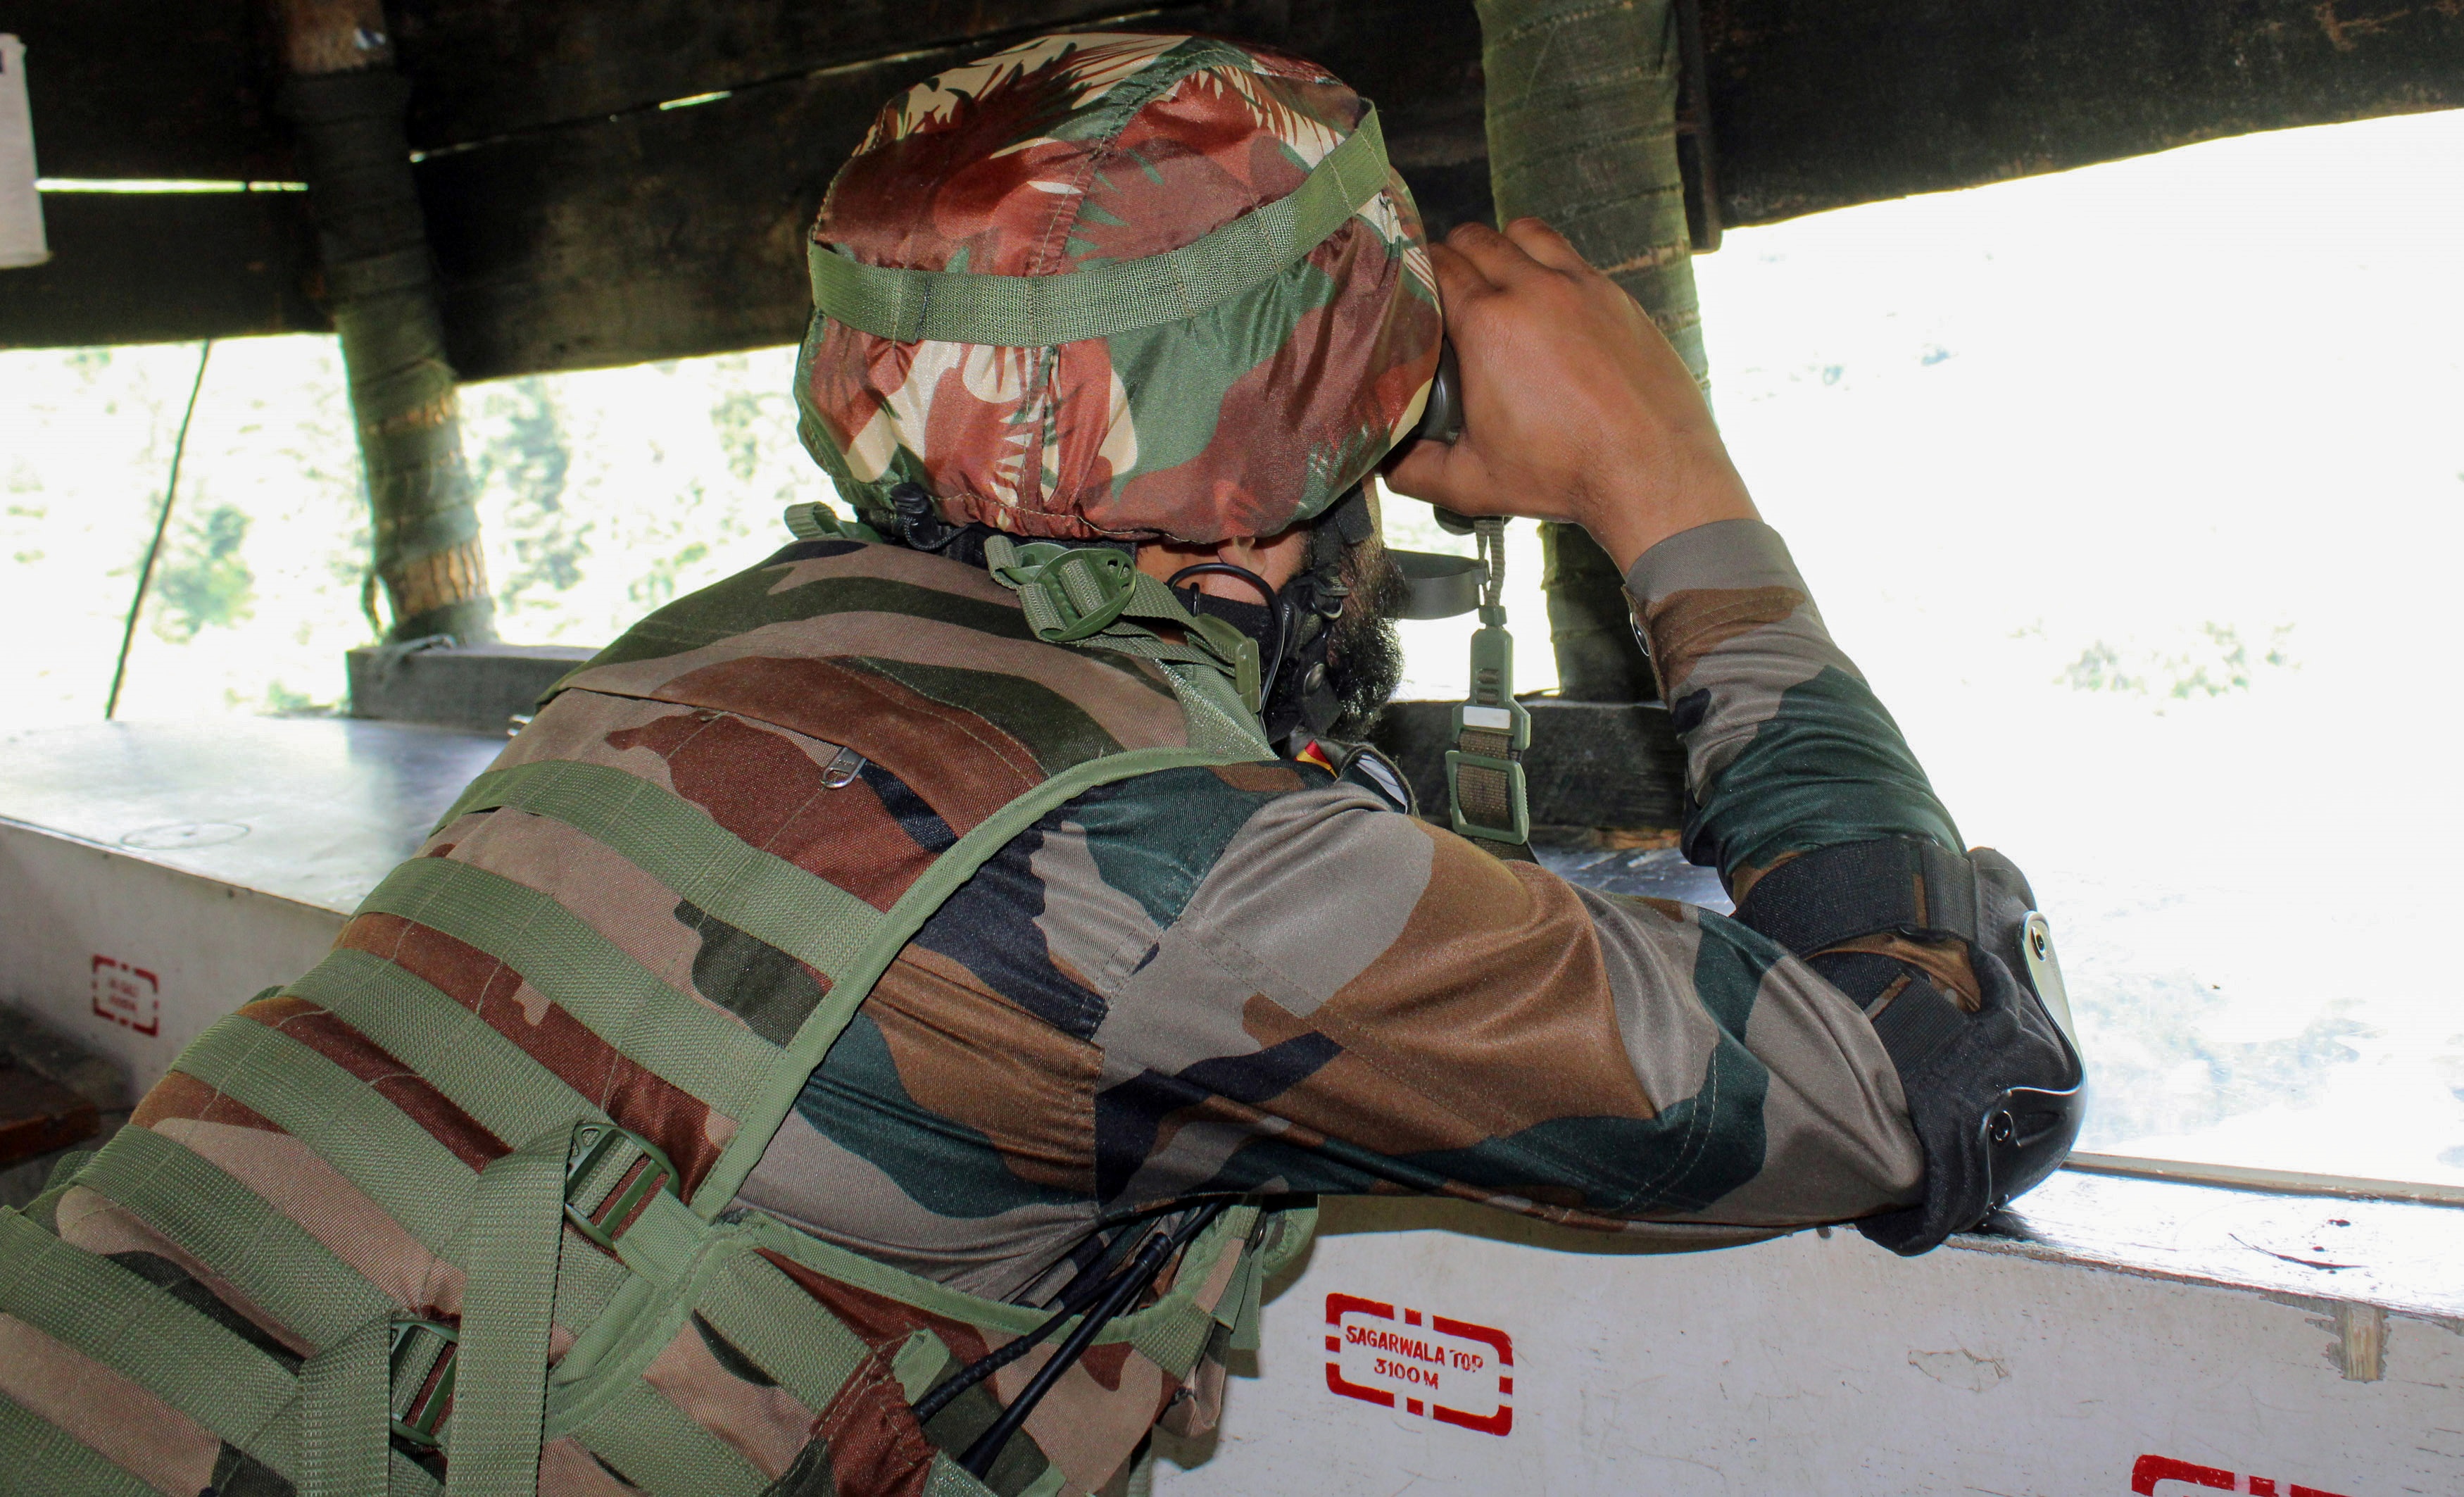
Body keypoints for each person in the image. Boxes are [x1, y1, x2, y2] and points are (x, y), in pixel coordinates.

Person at [0, 31, 2079, 1497]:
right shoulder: (1181, 890)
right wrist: (1669, 484)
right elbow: (1933, 1080)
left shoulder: (721, 649)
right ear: (1342, 415)